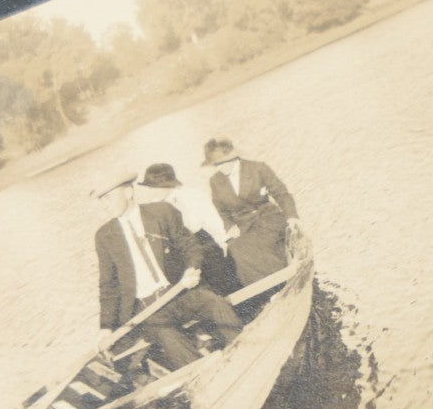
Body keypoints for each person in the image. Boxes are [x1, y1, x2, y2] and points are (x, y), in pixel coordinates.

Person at [93, 176, 243, 371]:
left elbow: (191, 246)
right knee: (167, 336)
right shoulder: (104, 236)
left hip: (181, 292)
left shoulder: (162, 212)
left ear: (128, 192)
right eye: (101, 200)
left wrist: (192, 268)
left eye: (108, 197)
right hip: (149, 309)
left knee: (215, 303)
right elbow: (109, 286)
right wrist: (105, 328)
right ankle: (203, 373)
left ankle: (244, 349)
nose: (104, 205)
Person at [202, 137, 299, 286]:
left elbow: (281, 194)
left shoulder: (258, 168)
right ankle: (265, 288)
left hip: (268, 218)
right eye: (216, 165)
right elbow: (221, 211)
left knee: (255, 244)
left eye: (222, 163)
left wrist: (292, 216)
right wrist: (230, 226)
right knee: (234, 248)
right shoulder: (215, 181)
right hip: (243, 226)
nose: (220, 168)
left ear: (233, 157)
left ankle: (282, 280)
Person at [135, 162, 240, 296]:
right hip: (176, 249)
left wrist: (222, 240)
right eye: (150, 188)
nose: (152, 192)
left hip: (201, 240)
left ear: (167, 184)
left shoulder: (190, 196)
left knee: (214, 268)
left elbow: (211, 220)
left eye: (155, 187)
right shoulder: (153, 206)